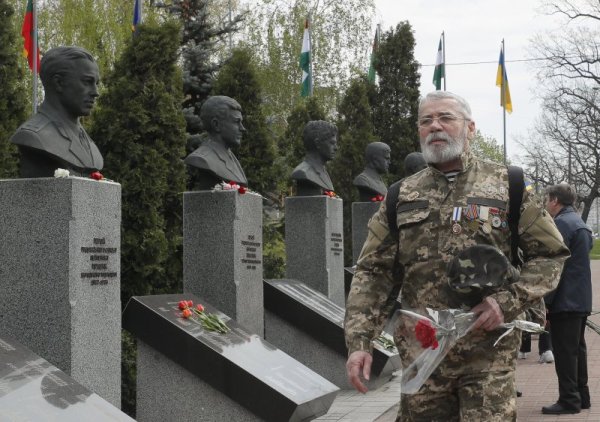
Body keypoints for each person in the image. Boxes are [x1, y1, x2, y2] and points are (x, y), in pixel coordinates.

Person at [344, 91, 569, 421]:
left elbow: (551, 254)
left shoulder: (509, 185)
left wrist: (507, 301)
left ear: (470, 128)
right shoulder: (399, 196)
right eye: (426, 120)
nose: (435, 126)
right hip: (424, 356)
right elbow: (372, 273)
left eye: (445, 117)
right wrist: (359, 342)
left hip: (488, 354)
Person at [10, 46, 103, 178]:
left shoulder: (86, 139)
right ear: (58, 82)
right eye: (87, 82)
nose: (95, 92)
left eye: (96, 84)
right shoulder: (33, 136)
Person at [541, 183, 592, 415]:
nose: (545, 204)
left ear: (554, 201)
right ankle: (581, 396)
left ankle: (569, 400)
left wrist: (546, 303)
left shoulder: (560, 224)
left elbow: (554, 267)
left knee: (564, 352)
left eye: (546, 200)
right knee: (577, 350)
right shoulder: (579, 223)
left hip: (564, 300)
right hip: (580, 298)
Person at [184, 96, 247, 190]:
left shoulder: (231, 157)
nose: (242, 128)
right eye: (236, 122)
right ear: (216, 125)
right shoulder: (202, 159)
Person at [290, 120, 338, 196]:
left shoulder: (324, 172)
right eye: (332, 143)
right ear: (318, 143)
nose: (336, 148)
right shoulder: (302, 172)